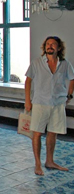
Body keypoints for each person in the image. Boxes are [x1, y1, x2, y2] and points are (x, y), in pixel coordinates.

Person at [25, 36, 74, 175]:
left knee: (53, 133)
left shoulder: (64, 64)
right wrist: (27, 101)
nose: (50, 46)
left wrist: (69, 95)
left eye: (53, 44)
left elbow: (72, 78)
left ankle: (50, 161)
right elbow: (28, 81)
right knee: (37, 133)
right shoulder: (37, 63)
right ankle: (38, 164)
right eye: (47, 44)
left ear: (59, 48)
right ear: (44, 47)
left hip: (58, 104)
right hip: (40, 103)